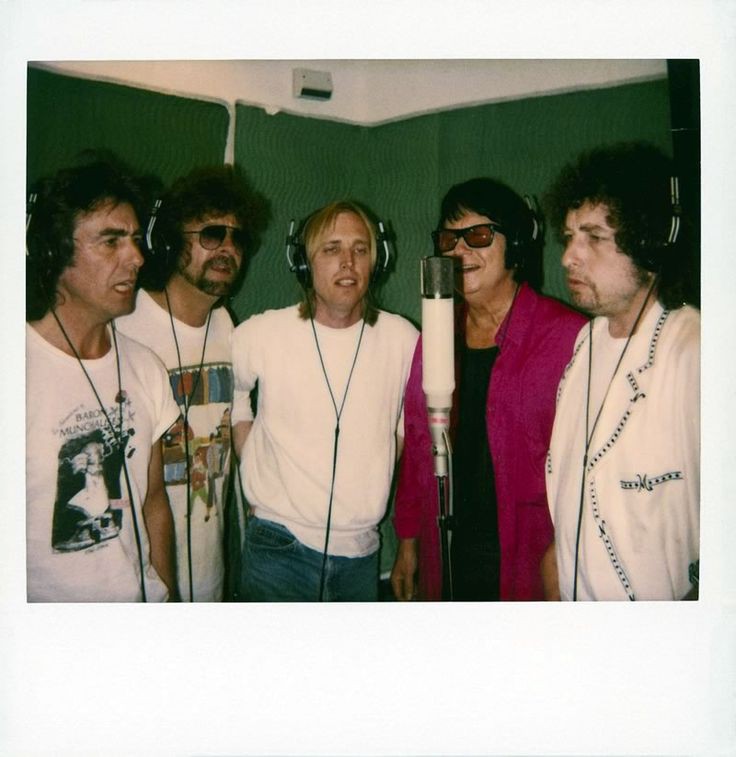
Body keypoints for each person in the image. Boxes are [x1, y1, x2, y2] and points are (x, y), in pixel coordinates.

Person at [391, 178, 586, 601]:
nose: (460, 251)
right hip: (445, 552)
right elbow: (419, 443)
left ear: (514, 243)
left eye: (478, 235)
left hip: (530, 559)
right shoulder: (436, 333)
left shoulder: (568, 338)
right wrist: (408, 541)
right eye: (449, 239)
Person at [231, 201, 418, 601]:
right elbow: (236, 399)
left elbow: (406, 426)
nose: (348, 262)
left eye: (360, 249)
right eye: (331, 249)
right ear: (303, 263)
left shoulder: (403, 339)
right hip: (277, 548)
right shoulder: (259, 334)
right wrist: (254, 464)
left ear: (377, 261)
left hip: (361, 554)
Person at [543, 142, 700, 601]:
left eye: (593, 237)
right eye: (569, 237)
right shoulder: (585, 344)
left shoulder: (693, 351)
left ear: (649, 242)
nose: (568, 257)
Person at [26, 157, 181, 602]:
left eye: (135, 240)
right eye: (111, 241)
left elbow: (154, 499)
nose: (137, 257)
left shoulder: (146, 368)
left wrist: (167, 597)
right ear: (53, 251)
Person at [116, 165, 260, 602]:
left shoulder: (226, 324)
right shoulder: (126, 322)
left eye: (237, 238)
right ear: (170, 240)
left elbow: (240, 421)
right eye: (212, 234)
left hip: (210, 574)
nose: (228, 248)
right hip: (142, 579)